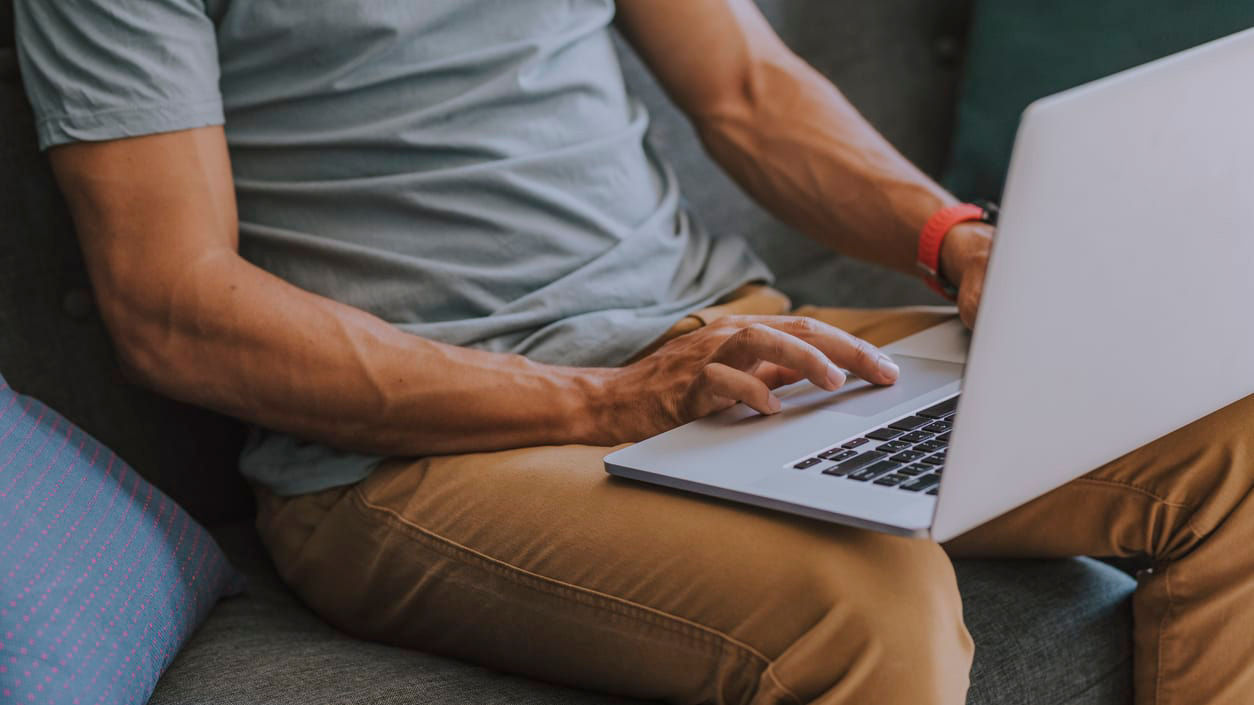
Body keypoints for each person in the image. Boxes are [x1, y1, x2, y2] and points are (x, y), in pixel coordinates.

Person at [14, 0, 1252, 703]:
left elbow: (748, 90)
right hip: (414, 454)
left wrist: (953, 241)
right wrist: (601, 402)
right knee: (873, 608)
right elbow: (171, 306)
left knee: (1234, 441)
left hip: (728, 344)